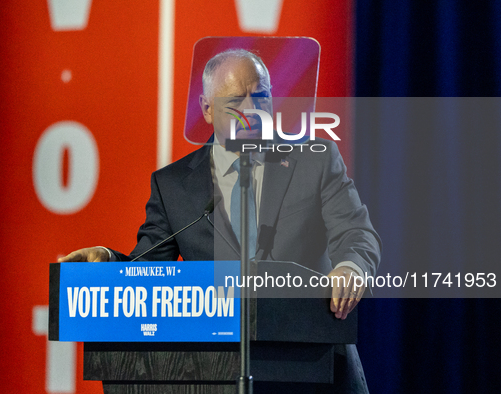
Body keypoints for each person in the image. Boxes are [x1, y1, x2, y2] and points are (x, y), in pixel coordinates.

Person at [59, 48, 381, 393]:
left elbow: (356, 233)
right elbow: (146, 270)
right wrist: (107, 262)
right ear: (207, 109)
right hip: (218, 372)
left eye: (261, 96)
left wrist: (351, 267)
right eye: (234, 101)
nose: (251, 110)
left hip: (314, 366)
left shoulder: (315, 160)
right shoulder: (173, 185)